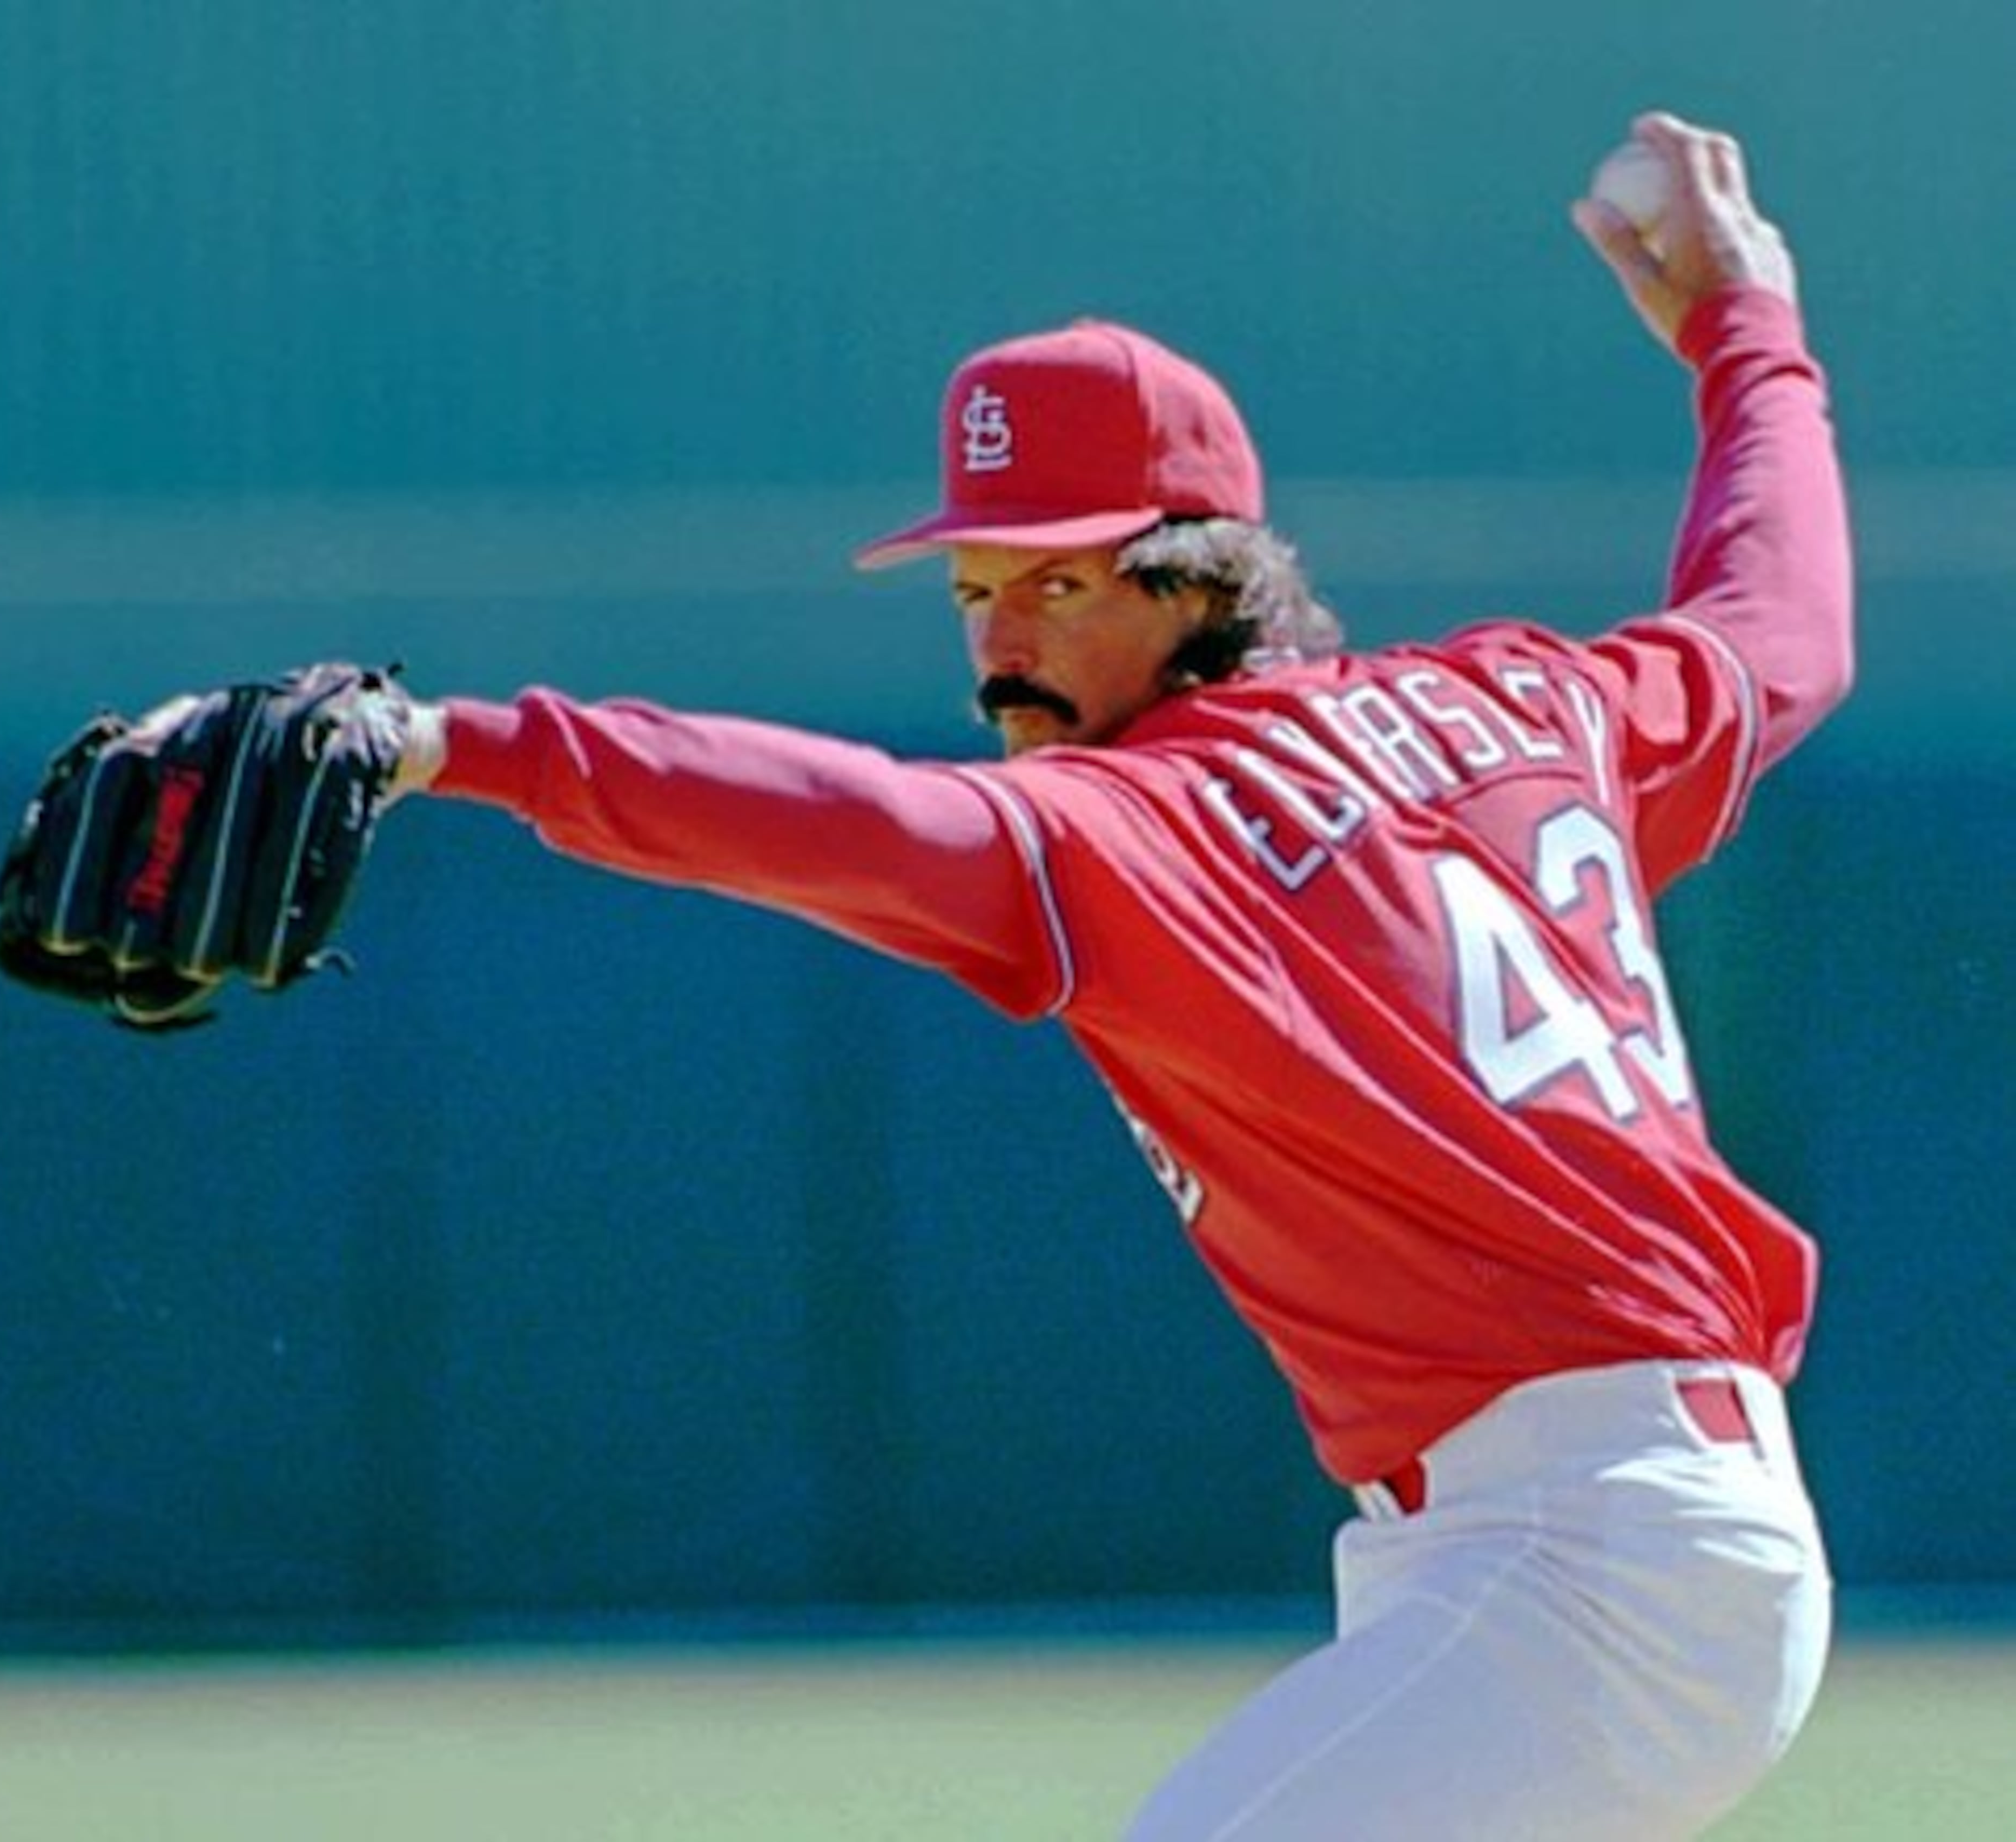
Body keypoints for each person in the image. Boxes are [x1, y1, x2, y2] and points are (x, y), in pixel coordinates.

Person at [380, 111, 1852, 1838]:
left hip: (1587, 1562)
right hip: (1593, 1547)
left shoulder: (1143, 826)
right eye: (975, 587)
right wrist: (1750, 332)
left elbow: (852, 822)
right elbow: (1780, 625)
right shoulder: (1536, 707)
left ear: (1208, 578)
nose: (1002, 646)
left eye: (1061, 582)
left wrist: (445, 743)